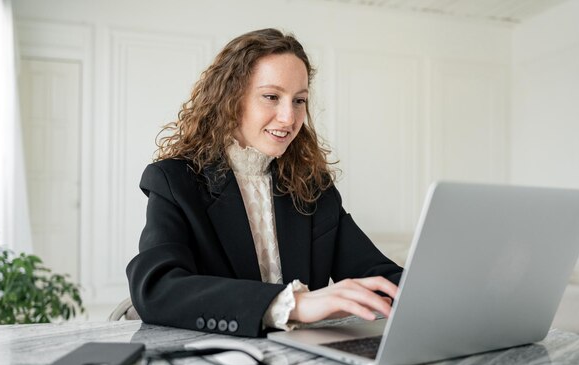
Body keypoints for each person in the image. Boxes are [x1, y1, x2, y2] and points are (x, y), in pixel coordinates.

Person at [126, 28, 403, 338]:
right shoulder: (174, 180)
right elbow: (157, 288)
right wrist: (293, 304)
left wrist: (439, 296)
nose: (289, 117)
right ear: (231, 100)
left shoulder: (312, 186)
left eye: (299, 100)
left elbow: (377, 274)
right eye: (272, 97)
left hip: (304, 360)